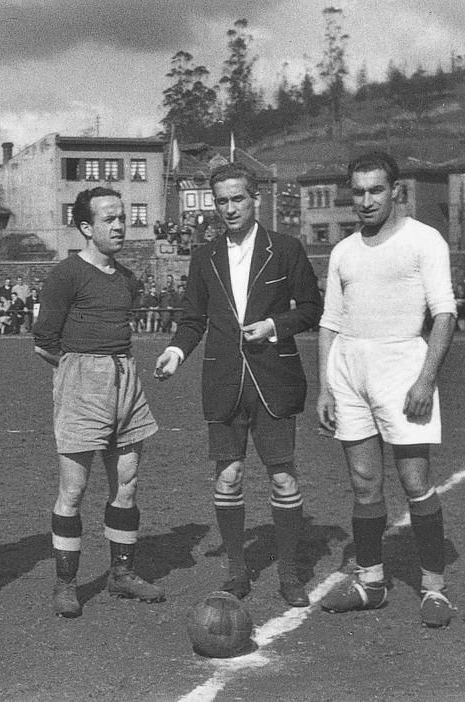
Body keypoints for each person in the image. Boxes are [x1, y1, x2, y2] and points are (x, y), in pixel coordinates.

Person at [155, 163, 323, 608]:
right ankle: (237, 570)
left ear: (256, 200)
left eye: (237, 199)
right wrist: (175, 352)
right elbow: (193, 319)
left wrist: (273, 325)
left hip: (274, 379)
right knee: (228, 477)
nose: (229, 209)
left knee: (282, 478)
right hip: (224, 380)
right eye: (222, 201)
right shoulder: (204, 256)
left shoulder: (284, 249)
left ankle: (289, 573)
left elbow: (311, 308)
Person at [315, 151, 458, 628]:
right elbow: (330, 323)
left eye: (376, 190)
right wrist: (326, 387)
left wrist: (426, 379)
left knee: (415, 480)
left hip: (403, 369)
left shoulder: (424, 240)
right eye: (358, 192)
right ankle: (370, 583)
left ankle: (434, 587)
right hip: (350, 370)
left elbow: (444, 314)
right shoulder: (343, 251)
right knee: (363, 483)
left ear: (396, 191)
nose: (366, 200)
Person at [33, 186, 163, 618]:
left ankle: (121, 574)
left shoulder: (127, 279)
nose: (120, 226)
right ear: (87, 228)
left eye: (122, 217)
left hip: (126, 379)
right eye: (109, 219)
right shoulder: (66, 275)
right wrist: (82, 373)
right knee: (73, 490)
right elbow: (44, 342)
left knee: (127, 483)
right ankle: (66, 583)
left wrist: (112, 371)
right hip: (82, 382)